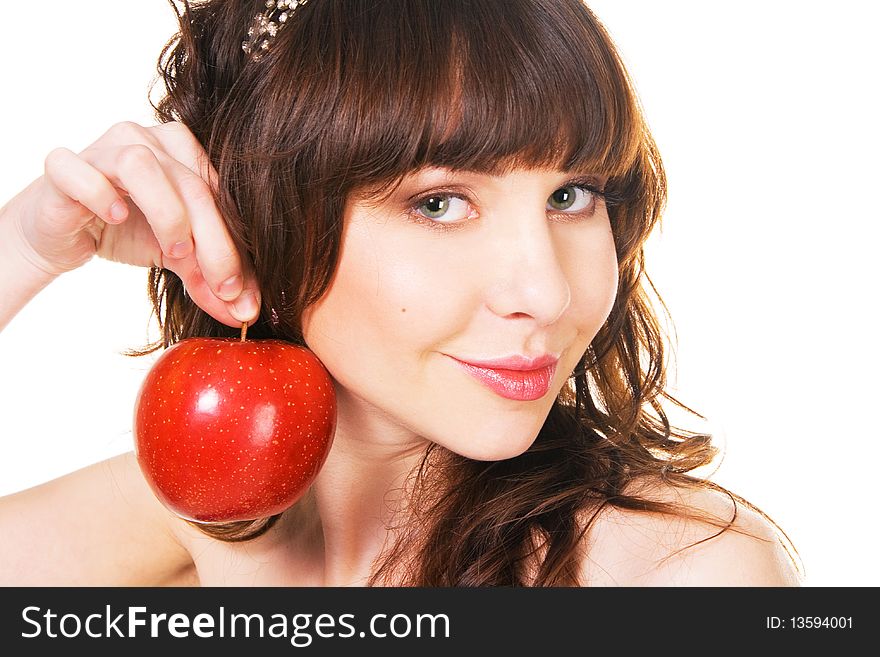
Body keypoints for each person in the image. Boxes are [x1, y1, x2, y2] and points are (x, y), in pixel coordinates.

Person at [0, 0, 801, 586]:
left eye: (573, 195)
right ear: (264, 224)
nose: (547, 291)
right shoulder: (183, 523)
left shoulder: (678, 576)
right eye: (440, 202)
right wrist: (25, 247)